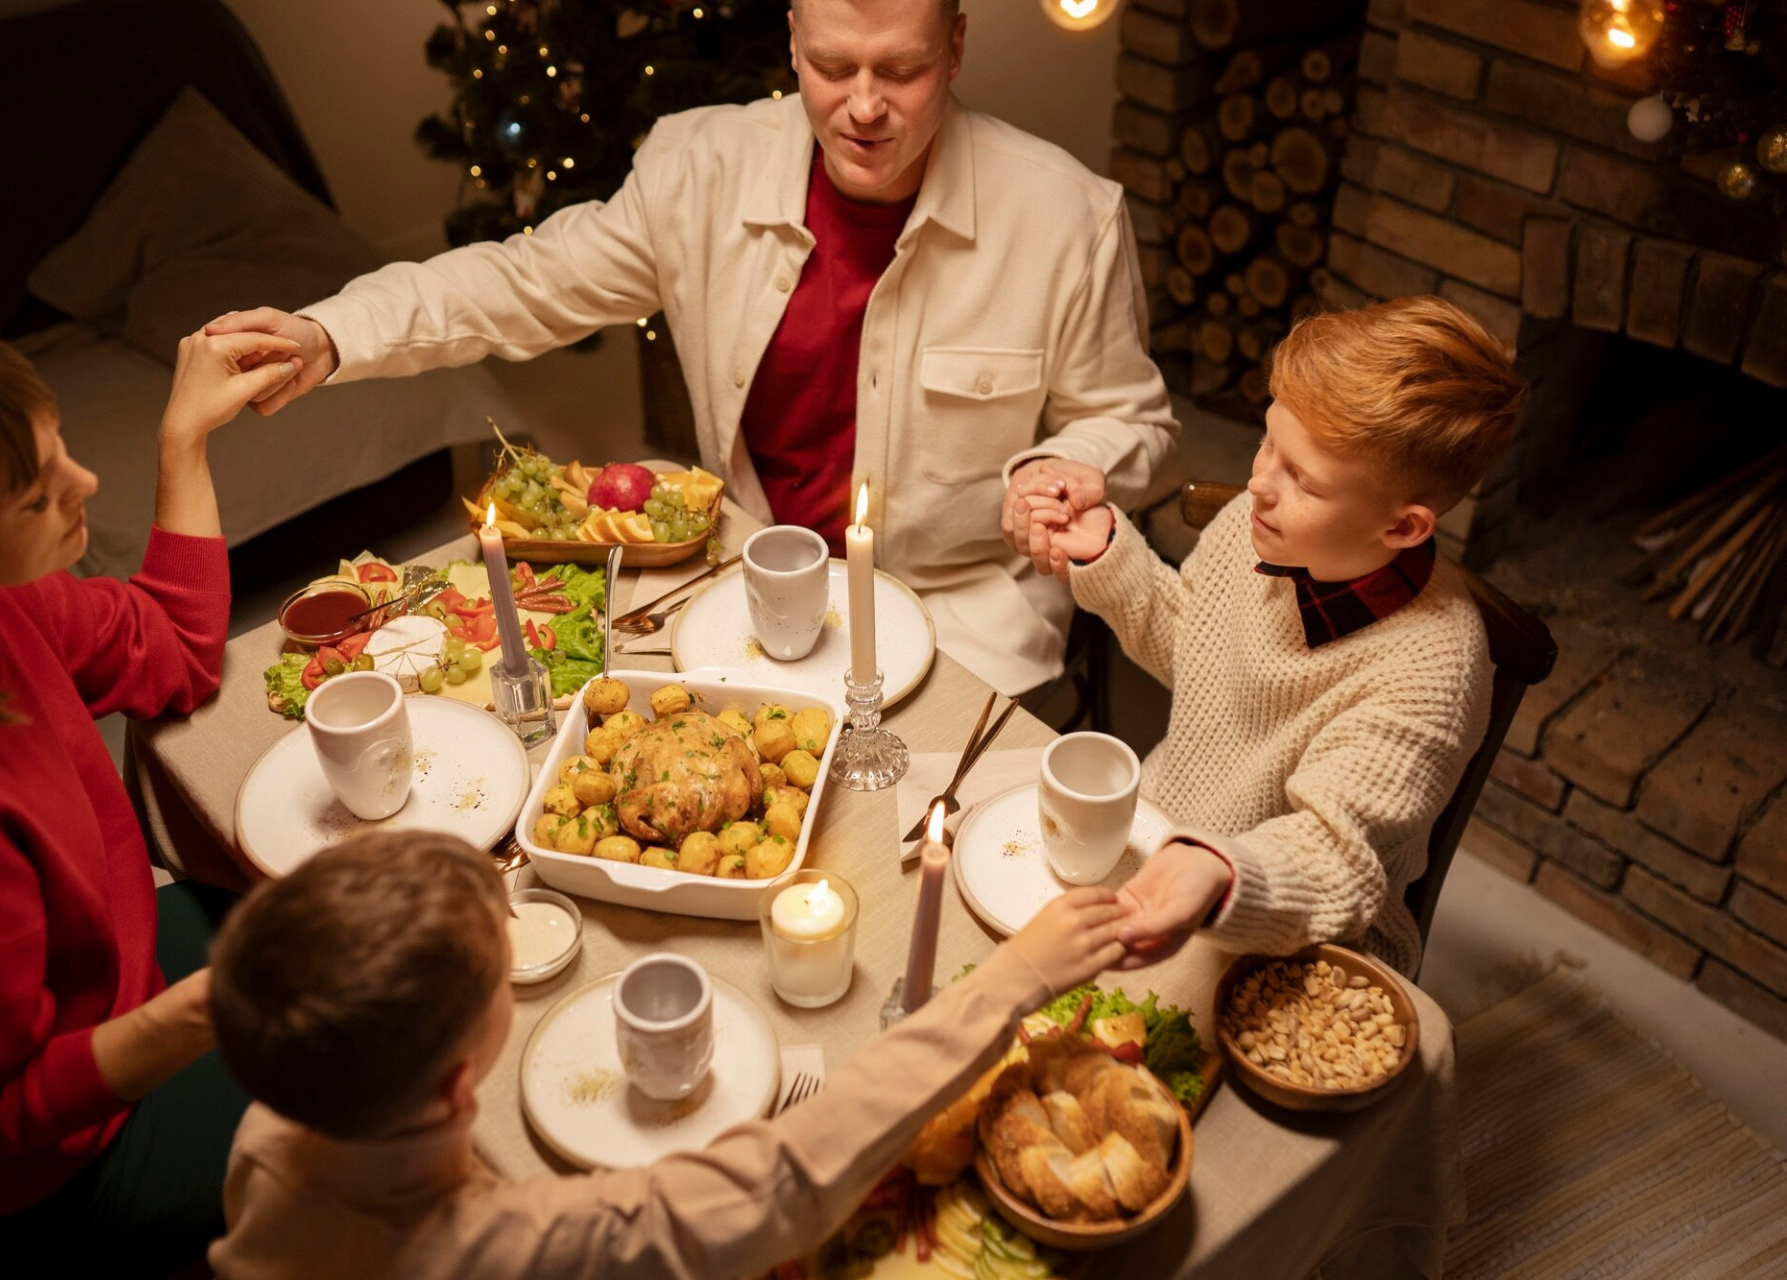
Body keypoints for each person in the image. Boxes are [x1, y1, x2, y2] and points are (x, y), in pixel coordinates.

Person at [204, 0, 1179, 695]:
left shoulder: (1066, 216)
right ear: (792, 38)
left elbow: (1130, 419)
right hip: (742, 570)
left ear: (956, 47)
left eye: (903, 69)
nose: (865, 105)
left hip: (963, 608)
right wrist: (337, 331)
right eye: (833, 67)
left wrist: (1068, 462)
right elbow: (521, 281)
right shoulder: (697, 165)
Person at [0, 315, 305, 1277]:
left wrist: (182, 437)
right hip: (55, 1163)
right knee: (400, 1100)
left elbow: (175, 648)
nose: (84, 486)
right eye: (37, 494)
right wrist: (216, 1008)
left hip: (120, 971)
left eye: (58, 444)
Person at [205, 830, 1137, 1279]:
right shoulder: (529, 1249)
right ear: (460, 1082)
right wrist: (1013, 976)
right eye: (502, 972)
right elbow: (790, 1172)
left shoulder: (263, 1134)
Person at [1020, 297, 1527, 977]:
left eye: (1303, 481)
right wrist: (1111, 552)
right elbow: (1193, 652)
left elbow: (1333, 859)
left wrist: (1220, 875)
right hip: (1165, 835)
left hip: (1297, 940)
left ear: (1404, 528)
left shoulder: (1432, 669)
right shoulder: (1254, 526)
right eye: (1268, 441)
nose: (1257, 483)